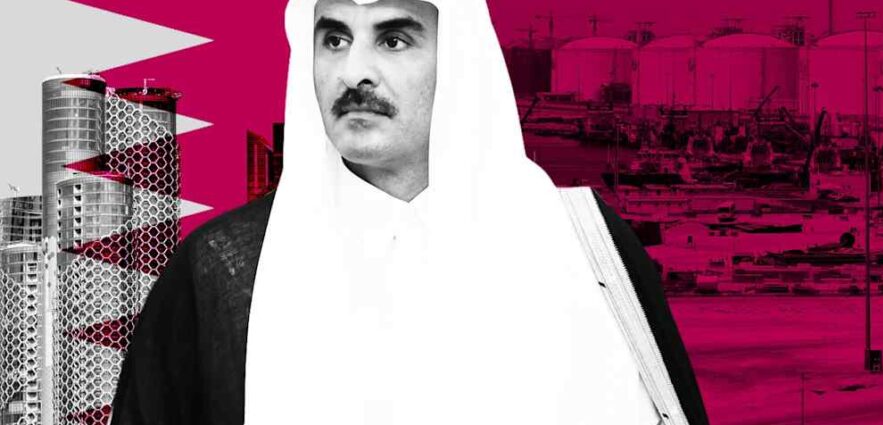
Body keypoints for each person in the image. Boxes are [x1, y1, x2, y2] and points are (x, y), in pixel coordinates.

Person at [109, 0, 708, 424]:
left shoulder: (586, 247)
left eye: (393, 39)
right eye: (333, 38)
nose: (354, 71)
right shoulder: (225, 270)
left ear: (461, 60)